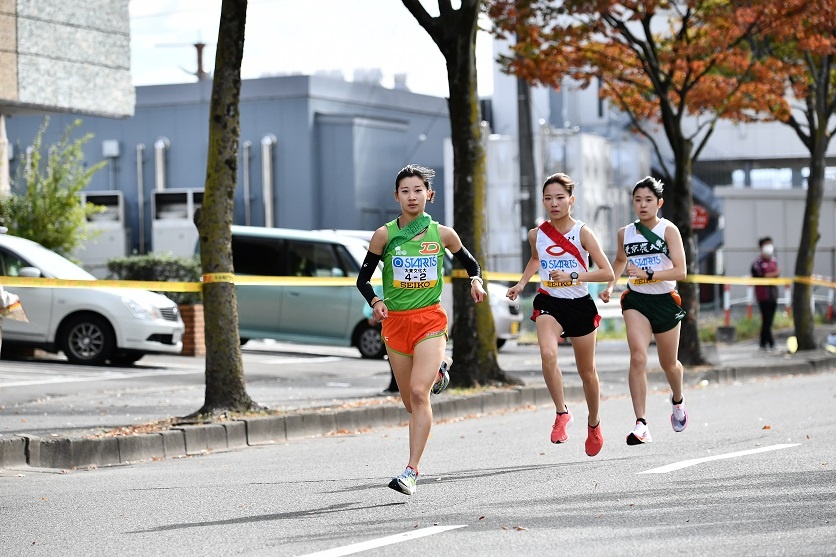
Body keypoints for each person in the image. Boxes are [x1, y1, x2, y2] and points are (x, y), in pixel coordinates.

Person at [355, 164, 485, 496]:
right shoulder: (384, 235)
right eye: (405, 191)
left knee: (418, 393)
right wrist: (375, 301)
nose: (412, 197)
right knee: (410, 404)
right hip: (396, 324)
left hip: (430, 320)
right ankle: (440, 371)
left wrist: (475, 280)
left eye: (418, 190)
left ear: (429, 194)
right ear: (396, 196)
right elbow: (362, 279)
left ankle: (411, 471)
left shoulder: (443, 234)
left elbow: (471, 263)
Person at [506, 173, 614, 457]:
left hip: (579, 304)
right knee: (548, 354)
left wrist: (573, 275)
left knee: (587, 373)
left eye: (559, 197)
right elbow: (535, 258)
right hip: (549, 301)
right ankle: (561, 413)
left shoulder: (583, 233)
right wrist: (521, 283)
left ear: (571, 200)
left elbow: (607, 272)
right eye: (548, 198)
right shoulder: (537, 234)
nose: (553, 203)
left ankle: (594, 423)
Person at [599, 177, 688, 445]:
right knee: (637, 357)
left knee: (668, 364)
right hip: (636, 300)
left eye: (648, 200)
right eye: (638, 200)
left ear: (659, 203)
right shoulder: (625, 232)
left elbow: (680, 271)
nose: (642, 205)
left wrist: (649, 274)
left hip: (665, 300)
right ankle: (641, 423)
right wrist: (610, 284)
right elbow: (619, 260)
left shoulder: (668, 230)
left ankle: (678, 399)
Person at [751, 237, 780, 352]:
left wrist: (774, 274)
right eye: (767, 244)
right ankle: (771, 343)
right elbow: (758, 276)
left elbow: (776, 275)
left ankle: (763, 343)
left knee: (769, 320)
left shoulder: (773, 261)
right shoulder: (757, 263)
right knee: (767, 320)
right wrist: (774, 274)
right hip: (763, 295)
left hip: (773, 294)